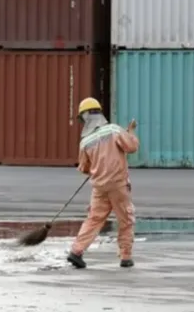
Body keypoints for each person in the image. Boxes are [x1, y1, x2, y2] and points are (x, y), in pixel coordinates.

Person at [67, 97, 139, 269]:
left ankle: (76, 252)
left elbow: (84, 167)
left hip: (99, 187)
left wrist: (96, 167)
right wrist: (131, 132)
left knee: (94, 219)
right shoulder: (114, 130)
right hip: (118, 184)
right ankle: (126, 257)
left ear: (84, 117)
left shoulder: (85, 142)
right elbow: (132, 147)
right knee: (126, 219)